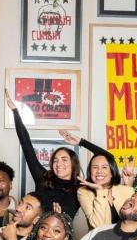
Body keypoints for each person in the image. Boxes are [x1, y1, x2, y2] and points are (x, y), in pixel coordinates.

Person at [5, 88, 82, 218]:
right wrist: (15, 111)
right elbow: (26, 145)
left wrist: (82, 142)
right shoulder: (43, 178)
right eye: (56, 160)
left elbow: (108, 162)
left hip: (61, 236)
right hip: (35, 234)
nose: (59, 164)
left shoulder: (80, 188)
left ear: (73, 163)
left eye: (64, 160)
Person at [59, 130, 134, 230]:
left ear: (112, 171)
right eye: (95, 167)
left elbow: (133, 223)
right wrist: (99, 191)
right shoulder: (84, 192)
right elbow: (98, 226)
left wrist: (82, 142)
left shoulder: (126, 189)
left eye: (104, 167)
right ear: (90, 171)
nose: (99, 171)